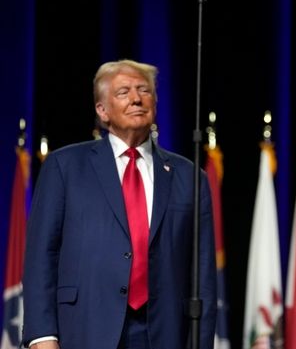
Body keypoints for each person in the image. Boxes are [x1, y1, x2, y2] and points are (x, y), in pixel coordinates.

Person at [22, 60, 216, 349]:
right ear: (102, 110)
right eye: (124, 92)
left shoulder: (190, 176)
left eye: (144, 90)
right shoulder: (65, 167)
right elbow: (41, 256)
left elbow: (203, 274)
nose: (137, 98)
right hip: (85, 327)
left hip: (164, 333)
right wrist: (42, 335)